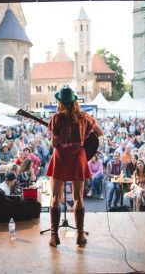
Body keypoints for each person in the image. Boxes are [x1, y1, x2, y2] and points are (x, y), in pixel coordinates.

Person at [46, 87, 103, 247]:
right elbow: (99, 133)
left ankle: (54, 237)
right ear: (74, 101)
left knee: (55, 197)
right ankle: (79, 236)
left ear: (61, 102)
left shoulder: (56, 118)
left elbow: (54, 144)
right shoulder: (85, 117)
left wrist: (58, 137)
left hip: (61, 157)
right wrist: (86, 141)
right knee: (78, 197)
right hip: (78, 157)